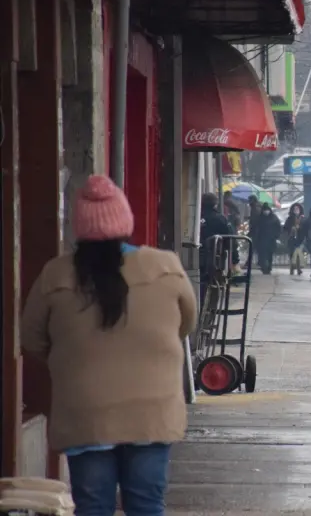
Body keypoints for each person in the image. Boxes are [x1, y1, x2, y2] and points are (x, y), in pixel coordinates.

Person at [20, 175, 197, 516]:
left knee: (93, 506)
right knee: (146, 505)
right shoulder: (165, 266)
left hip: (85, 413)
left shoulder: (55, 275)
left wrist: (69, 361)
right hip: (152, 412)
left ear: (79, 227)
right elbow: (185, 324)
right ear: (124, 222)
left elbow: (32, 339)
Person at [199, 192, 236, 308]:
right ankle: (209, 314)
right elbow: (230, 241)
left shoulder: (193, 217)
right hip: (215, 261)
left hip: (195, 258)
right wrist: (235, 260)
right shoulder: (221, 219)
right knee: (214, 286)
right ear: (215, 204)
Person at [252, 202, 281, 275]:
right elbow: (255, 228)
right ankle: (264, 267)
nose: (266, 211)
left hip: (271, 239)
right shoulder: (259, 218)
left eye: (267, 210)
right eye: (265, 210)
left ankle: (269, 267)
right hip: (262, 239)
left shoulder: (274, 217)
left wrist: (276, 235)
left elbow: (278, 227)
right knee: (263, 255)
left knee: (269, 254)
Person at [283, 203, 305, 275]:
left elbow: (306, 227)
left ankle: (298, 269)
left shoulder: (302, 218)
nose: (296, 210)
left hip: (300, 239)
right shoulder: (289, 218)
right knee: (292, 254)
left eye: (297, 209)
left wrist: (300, 228)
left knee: (299, 254)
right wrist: (291, 228)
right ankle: (292, 269)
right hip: (291, 239)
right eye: (295, 209)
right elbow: (285, 228)